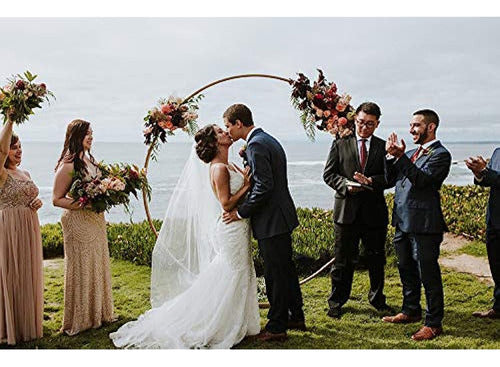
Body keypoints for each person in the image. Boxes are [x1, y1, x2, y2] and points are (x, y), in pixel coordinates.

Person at [110, 124, 260, 349]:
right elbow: (226, 203)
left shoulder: (229, 164)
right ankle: (218, 323)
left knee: (239, 272)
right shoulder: (218, 168)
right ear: (214, 142)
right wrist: (246, 186)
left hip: (239, 228)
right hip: (231, 228)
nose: (226, 133)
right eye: (220, 132)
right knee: (232, 273)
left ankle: (240, 322)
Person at [222, 103, 305, 342]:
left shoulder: (257, 144)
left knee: (275, 274)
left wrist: (240, 213)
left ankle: (277, 326)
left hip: (272, 220)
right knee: (286, 271)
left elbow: (264, 186)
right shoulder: (264, 140)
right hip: (280, 216)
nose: (228, 131)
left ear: (239, 123)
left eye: (229, 126)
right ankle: (295, 315)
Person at [382, 109, 451, 341]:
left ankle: (433, 323)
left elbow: (422, 181)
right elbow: (390, 180)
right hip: (402, 221)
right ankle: (410, 310)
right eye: (410, 125)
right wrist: (390, 157)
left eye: (416, 126)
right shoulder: (410, 153)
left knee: (428, 274)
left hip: (424, 224)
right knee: (406, 269)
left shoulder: (441, 155)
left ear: (430, 127)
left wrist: (401, 158)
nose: (411, 130)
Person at [323, 102, 392, 319]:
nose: (364, 128)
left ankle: (377, 299)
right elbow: (329, 174)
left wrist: (371, 181)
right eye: (360, 122)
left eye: (370, 124)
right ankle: (336, 302)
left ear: (377, 124)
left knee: (376, 260)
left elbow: (391, 178)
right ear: (355, 120)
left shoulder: (383, 147)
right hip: (346, 212)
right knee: (342, 261)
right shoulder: (340, 143)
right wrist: (345, 185)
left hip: (374, 213)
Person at [53, 119, 114, 335]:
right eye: (86, 133)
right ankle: (80, 318)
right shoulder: (68, 165)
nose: (91, 136)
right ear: (76, 136)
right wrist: (84, 203)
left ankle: (99, 313)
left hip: (95, 220)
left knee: (97, 264)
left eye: (91, 132)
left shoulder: (91, 161)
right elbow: (56, 199)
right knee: (81, 268)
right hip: (77, 222)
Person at [0, 115, 44, 345]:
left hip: (29, 228)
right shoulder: (1, 173)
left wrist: (37, 203)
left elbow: (31, 197)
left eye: (20, 147)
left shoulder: (24, 173)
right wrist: (10, 119)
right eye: (13, 147)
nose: (18, 151)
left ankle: (26, 323)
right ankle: (10, 325)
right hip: (9, 228)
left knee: (26, 272)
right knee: (10, 273)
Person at [465, 148, 500, 319]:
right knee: (496, 266)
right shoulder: (497, 152)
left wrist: (486, 171)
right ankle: (499, 307)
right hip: (494, 219)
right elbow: (488, 180)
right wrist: (479, 173)